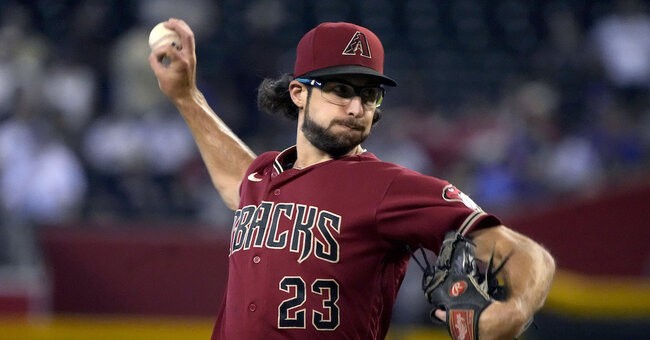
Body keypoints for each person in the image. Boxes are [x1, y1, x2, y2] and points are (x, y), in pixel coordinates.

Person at [149, 18, 555, 340]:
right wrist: (187, 97)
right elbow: (237, 176)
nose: (357, 106)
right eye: (340, 89)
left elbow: (529, 256)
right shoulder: (264, 175)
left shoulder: (389, 187)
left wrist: (514, 311)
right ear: (297, 93)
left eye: (369, 94)